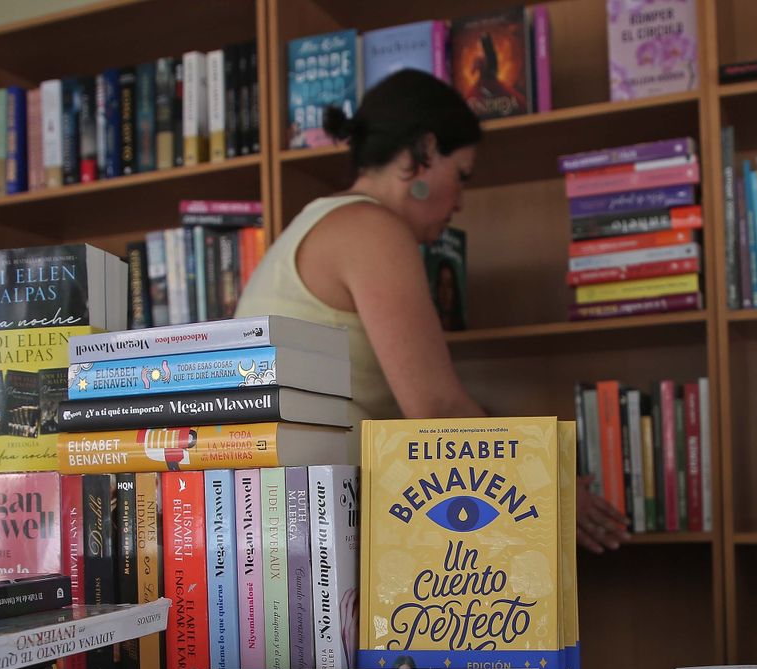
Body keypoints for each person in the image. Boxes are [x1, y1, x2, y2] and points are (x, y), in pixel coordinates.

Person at [234, 69, 628, 553]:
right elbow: (435, 408)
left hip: (277, 513)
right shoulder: (371, 228)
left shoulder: (321, 219)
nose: (460, 202)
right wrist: (550, 489)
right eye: (460, 176)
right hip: (302, 524)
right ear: (422, 153)